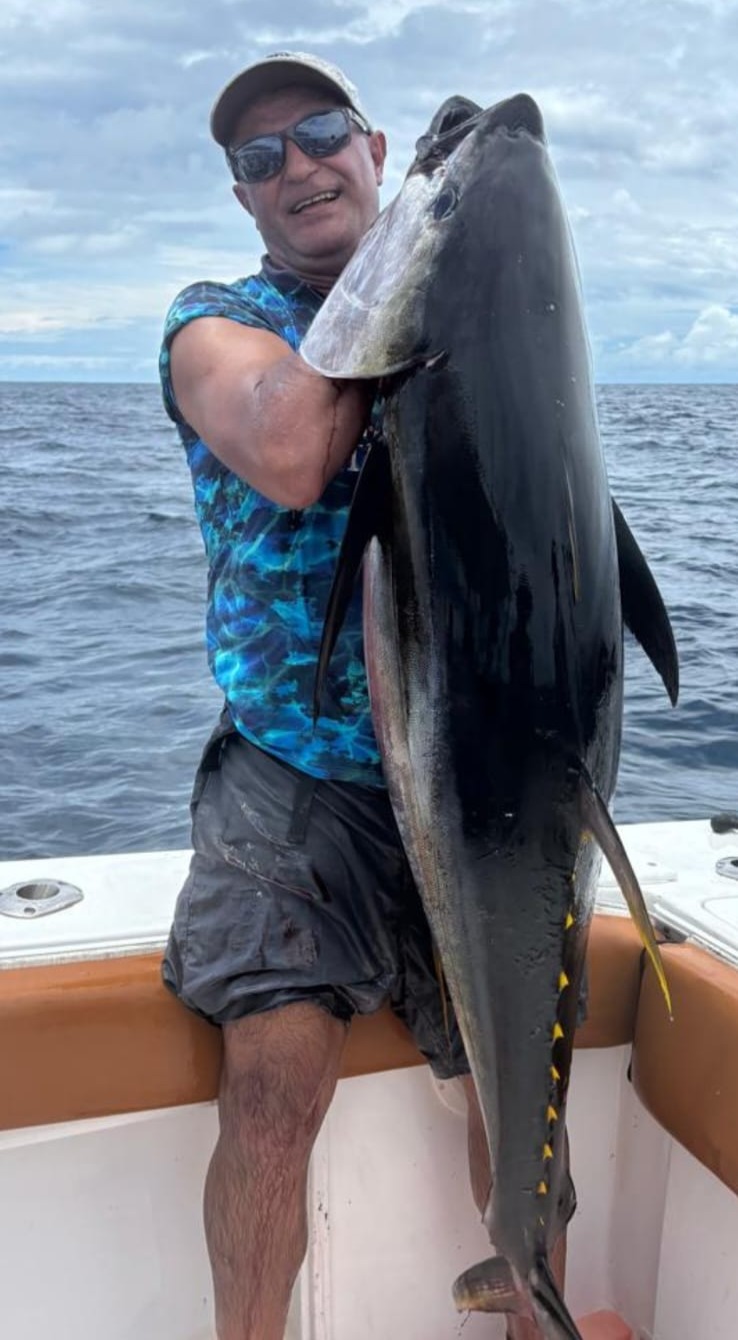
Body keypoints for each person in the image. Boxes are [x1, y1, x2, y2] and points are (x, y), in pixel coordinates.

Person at [158, 51, 565, 1340]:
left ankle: (534, 1307)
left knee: (526, 1089)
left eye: (320, 131)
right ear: (241, 197)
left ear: (376, 149)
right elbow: (288, 447)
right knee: (273, 1077)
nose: (296, 166)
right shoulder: (215, 322)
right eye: (258, 157)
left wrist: (468, 256)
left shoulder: (467, 304)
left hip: (482, 762)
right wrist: (420, 269)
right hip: (298, 774)